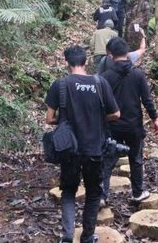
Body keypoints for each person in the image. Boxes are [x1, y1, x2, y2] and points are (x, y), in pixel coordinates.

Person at [45, 46, 120, 243]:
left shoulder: (60, 85)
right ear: (86, 62)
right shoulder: (99, 82)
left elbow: (49, 118)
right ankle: (87, 236)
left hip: (68, 149)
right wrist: (96, 117)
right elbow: (115, 114)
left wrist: (64, 120)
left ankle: (68, 236)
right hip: (94, 148)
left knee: (69, 191)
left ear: (67, 63)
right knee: (93, 193)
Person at [100, 37, 158, 206]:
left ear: (110, 55)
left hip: (113, 126)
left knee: (108, 160)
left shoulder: (105, 77)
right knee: (136, 158)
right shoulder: (138, 74)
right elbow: (147, 100)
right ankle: (137, 192)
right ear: (127, 53)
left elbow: (101, 104)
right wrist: (155, 119)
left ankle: (102, 196)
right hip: (134, 125)